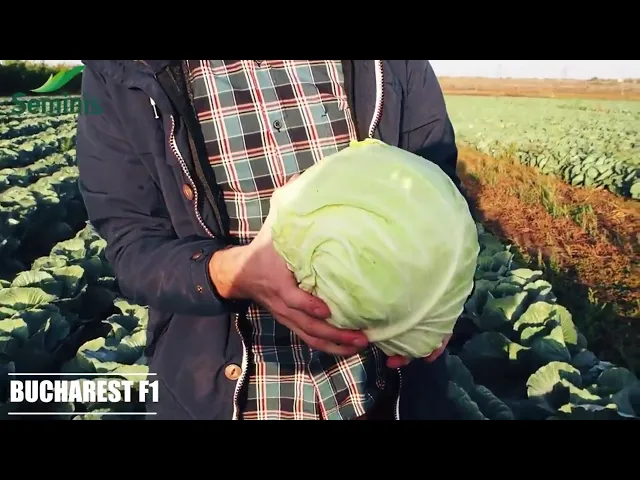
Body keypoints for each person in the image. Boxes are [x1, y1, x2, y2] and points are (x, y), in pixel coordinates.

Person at [76, 60, 463, 420]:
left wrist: (430, 302)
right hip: (229, 397)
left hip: (385, 393)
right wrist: (231, 274)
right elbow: (133, 245)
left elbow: (435, 185)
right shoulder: (121, 70)